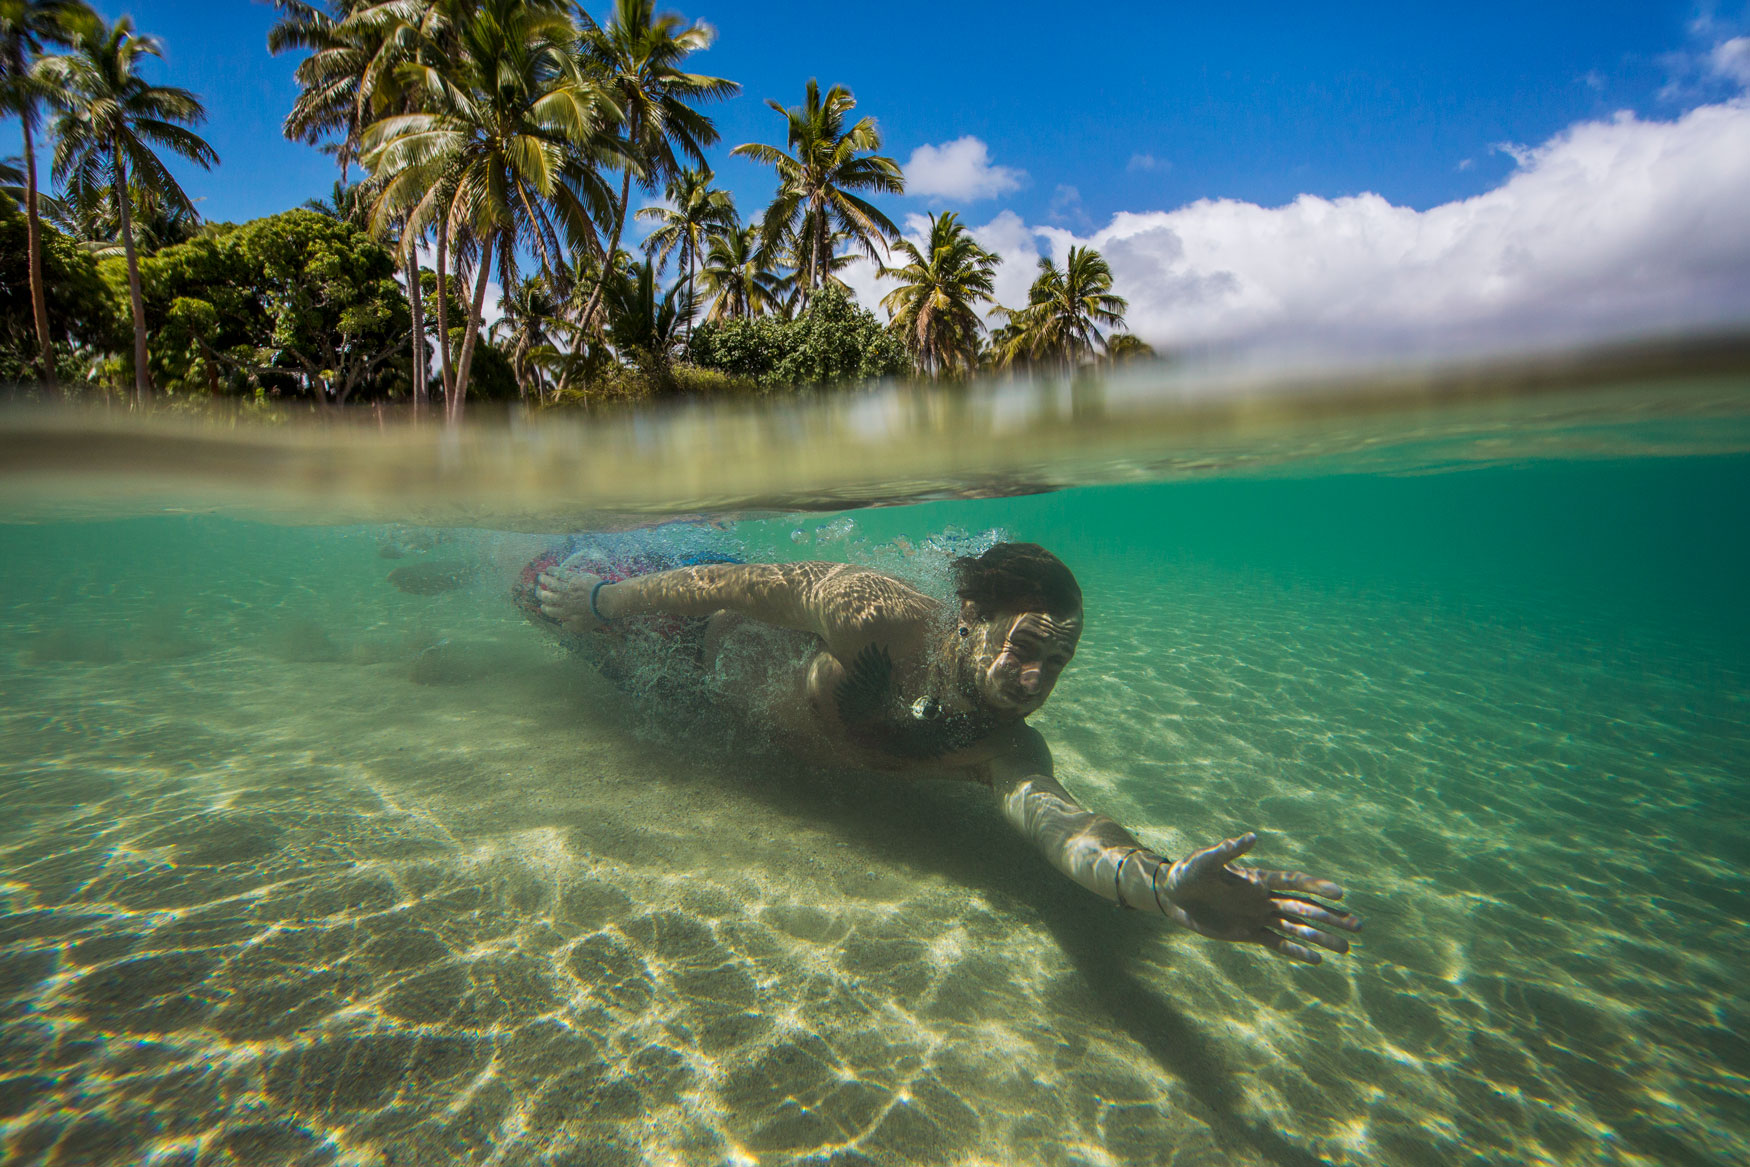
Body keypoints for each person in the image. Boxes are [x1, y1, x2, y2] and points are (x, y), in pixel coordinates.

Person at [532, 537, 1361, 965]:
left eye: (1058, 663)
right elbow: (732, 585)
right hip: (681, 630)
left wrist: (1154, 885)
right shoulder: (876, 613)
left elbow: (1064, 825)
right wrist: (606, 601)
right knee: (537, 585)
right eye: (1025, 647)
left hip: (695, 703)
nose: (1036, 678)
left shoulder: (1002, 744)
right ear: (968, 617)